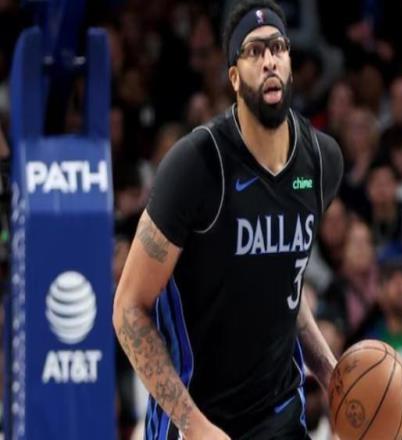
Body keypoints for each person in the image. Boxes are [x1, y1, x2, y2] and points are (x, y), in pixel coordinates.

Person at [112, 1, 344, 439]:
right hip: (198, 416)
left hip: (279, 414)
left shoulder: (320, 161)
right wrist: (194, 425)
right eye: (254, 51)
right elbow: (128, 309)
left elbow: (285, 287)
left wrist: (330, 373)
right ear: (234, 77)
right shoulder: (198, 165)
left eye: (277, 47)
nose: (269, 60)